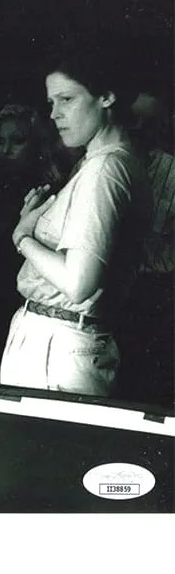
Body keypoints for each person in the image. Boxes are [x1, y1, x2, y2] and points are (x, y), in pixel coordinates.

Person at [0, 52, 152, 397]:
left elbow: (78, 282)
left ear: (106, 96)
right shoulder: (107, 161)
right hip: (61, 342)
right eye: (51, 102)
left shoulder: (105, 169)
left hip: (57, 348)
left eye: (67, 99)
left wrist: (22, 236)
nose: (55, 114)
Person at [0, 104, 73, 385]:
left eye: (17, 141)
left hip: (19, 311)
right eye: (0, 141)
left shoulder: (47, 195)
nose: (5, 150)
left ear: (37, 145)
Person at [115, 91, 174, 405]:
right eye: (132, 120)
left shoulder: (173, 173)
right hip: (110, 291)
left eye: (147, 123)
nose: (138, 128)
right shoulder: (108, 165)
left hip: (154, 295)